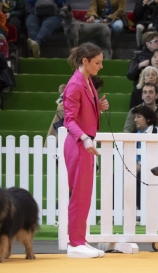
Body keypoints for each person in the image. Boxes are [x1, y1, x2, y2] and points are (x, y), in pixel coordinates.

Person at [62, 43, 109, 259]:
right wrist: (84, 138)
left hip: (85, 143)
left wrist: (99, 107)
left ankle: (80, 240)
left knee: (85, 195)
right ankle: (75, 243)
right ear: (85, 62)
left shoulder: (87, 81)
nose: (100, 66)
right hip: (79, 143)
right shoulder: (74, 85)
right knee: (79, 196)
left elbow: (83, 111)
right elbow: (69, 120)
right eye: (97, 62)